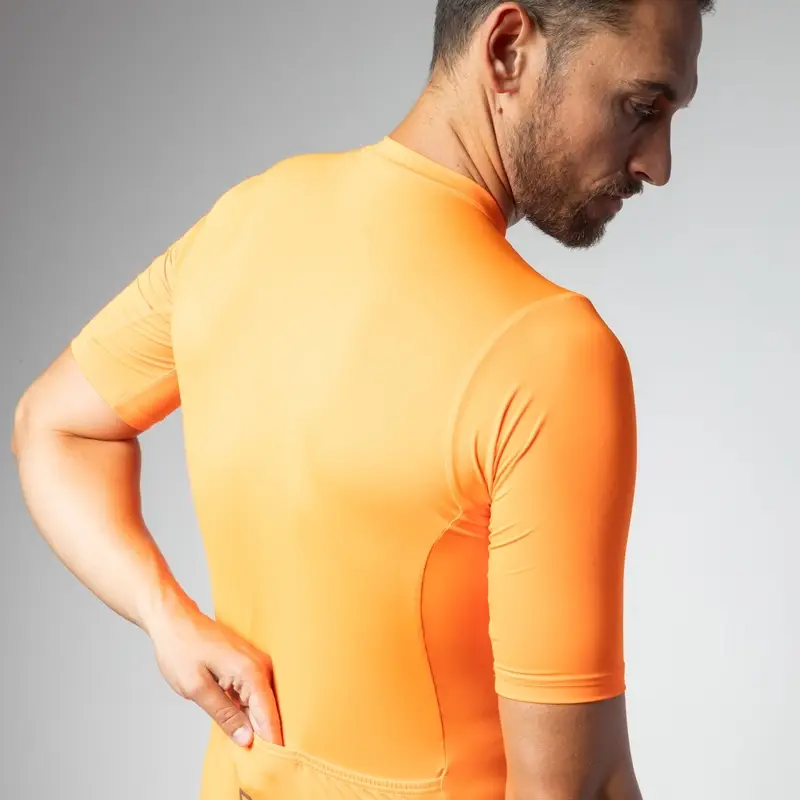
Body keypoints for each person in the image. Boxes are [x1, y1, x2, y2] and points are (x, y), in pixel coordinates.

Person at [11, 0, 709, 798]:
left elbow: (51, 425)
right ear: (508, 48)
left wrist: (164, 614)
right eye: (642, 107)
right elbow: (573, 787)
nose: (658, 163)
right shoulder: (550, 352)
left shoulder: (244, 224)